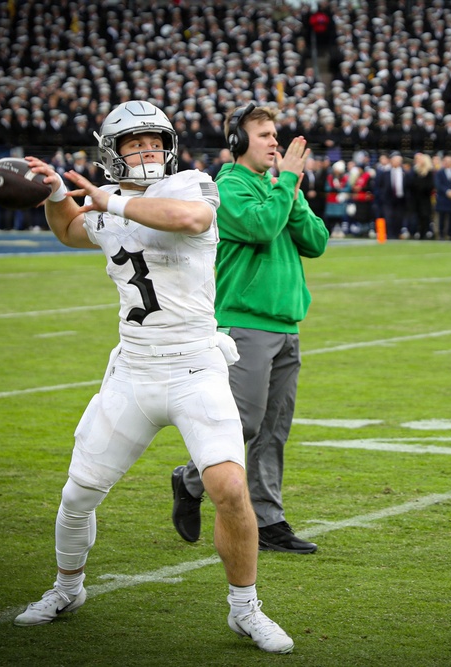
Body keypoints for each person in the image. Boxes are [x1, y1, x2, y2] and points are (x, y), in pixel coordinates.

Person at [16, 100, 294, 654]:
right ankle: (67, 588)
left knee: (229, 488)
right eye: (133, 145)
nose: (145, 152)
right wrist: (55, 192)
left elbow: (190, 221)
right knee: (78, 493)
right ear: (111, 153)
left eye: (152, 143)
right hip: (134, 370)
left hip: (196, 367)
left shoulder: (191, 185)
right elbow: (70, 230)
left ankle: (245, 608)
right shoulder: (106, 206)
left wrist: (111, 200)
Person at [171, 103, 328, 556]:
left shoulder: (277, 186)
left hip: (286, 321)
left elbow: (316, 241)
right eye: (264, 135)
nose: (275, 142)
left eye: (275, 134)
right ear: (238, 142)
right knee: (242, 422)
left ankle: (268, 519)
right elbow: (261, 227)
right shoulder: (227, 188)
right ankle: (190, 480)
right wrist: (287, 184)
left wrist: (289, 190)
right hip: (245, 323)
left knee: (274, 430)